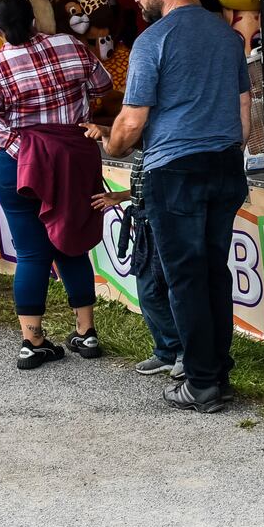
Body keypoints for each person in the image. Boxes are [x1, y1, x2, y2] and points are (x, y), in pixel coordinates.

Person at [88, 0, 250, 413]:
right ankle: (216, 372)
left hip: (175, 173)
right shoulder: (227, 37)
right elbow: (244, 119)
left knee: (185, 280)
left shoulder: (152, 40)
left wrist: (111, 146)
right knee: (214, 274)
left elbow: (132, 121)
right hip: (223, 167)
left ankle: (200, 383)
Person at [0, 0, 111, 370]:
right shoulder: (69, 43)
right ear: (34, 20)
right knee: (72, 244)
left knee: (33, 254)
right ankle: (87, 333)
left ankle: (32, 341)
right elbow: (103, 83)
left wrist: (24, 147)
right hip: (73, 158)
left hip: (20, 166)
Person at [91, 158, 184, 379]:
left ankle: (182, 350)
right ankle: (166, 351)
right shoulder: (148, 142)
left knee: (154, 291)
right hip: (146, 219)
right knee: (147, 290)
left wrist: (107, 133)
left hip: (161, 219)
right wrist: (122, 196)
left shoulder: (160, 138)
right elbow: (145, 183)